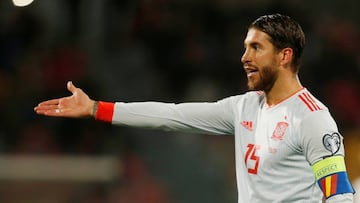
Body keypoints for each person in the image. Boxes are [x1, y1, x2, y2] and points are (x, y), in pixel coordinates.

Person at [34, 14, 355, 202]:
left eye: (256, 48)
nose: (245, 57)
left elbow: (338, 193)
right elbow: (172, 116)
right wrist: (95, 108)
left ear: (284, 56)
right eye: (245, 47)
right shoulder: (243, 108)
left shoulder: (312, 119)